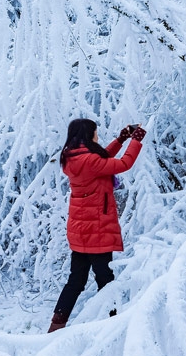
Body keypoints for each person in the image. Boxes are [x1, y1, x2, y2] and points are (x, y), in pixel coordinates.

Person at [48, 118, 147, 333]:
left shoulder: (73, 157)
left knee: (76, 280)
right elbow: (123, 164)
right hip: (97, 231)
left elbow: (101, 158)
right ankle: (114, 326)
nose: (97, 137)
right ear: (87, 134)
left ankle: (56, 326)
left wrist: (121, 139)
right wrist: (136, 141)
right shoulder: (90, 161)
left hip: (81, 231)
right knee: (106, 282)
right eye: (95, 133)